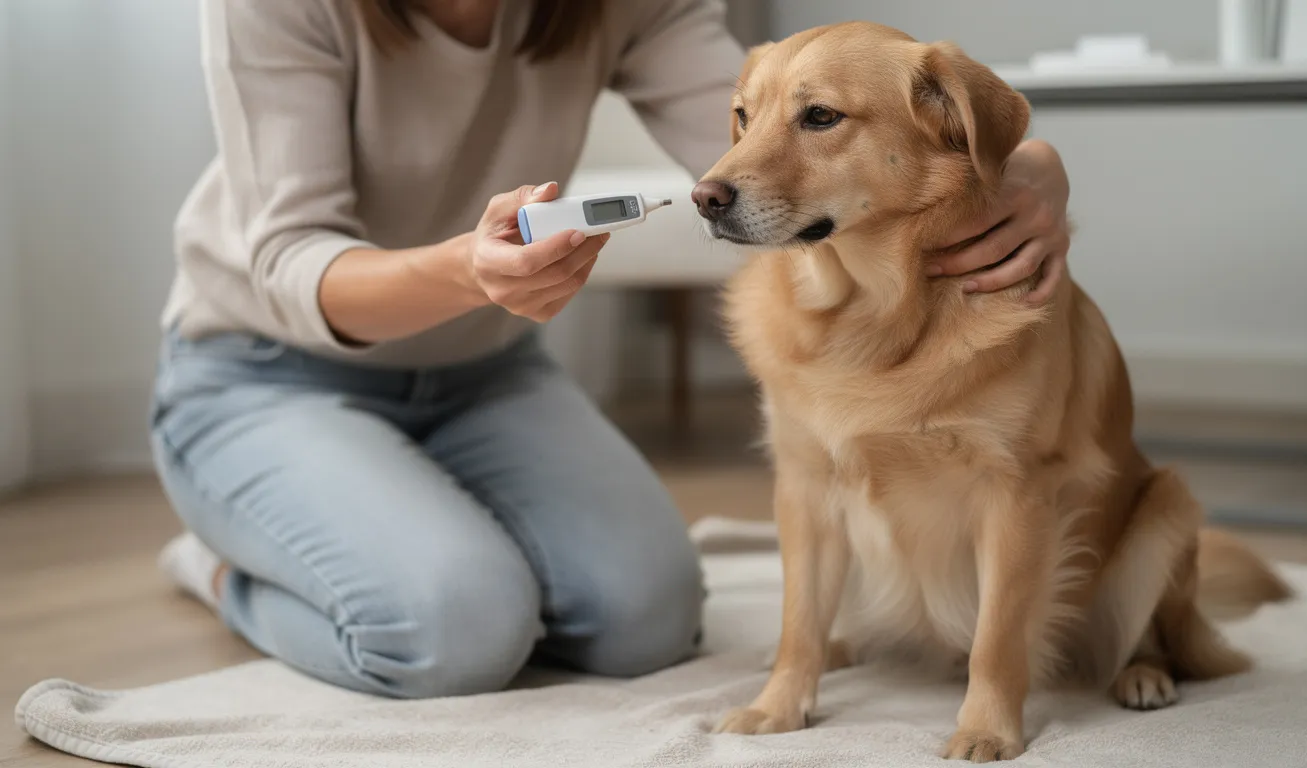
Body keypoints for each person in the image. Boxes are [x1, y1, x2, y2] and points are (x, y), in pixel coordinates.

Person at [153, 0, 1075, 700]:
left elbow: (769, 125)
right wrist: (469, 274)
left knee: (645, 621)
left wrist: (1033, 164)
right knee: (451, 633)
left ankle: (420, 527)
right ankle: (229, 568)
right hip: (269, 372)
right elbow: (285, 258)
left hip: (484, 374)